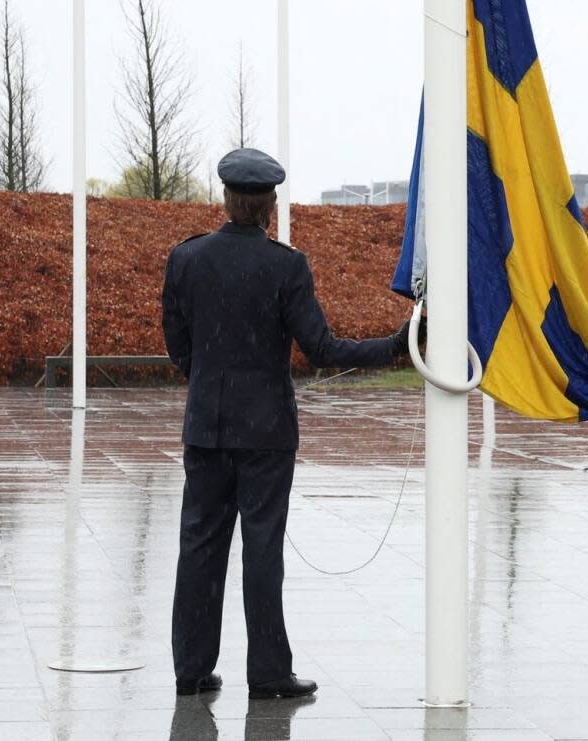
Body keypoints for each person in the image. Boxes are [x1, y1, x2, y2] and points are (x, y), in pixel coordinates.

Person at [162, 147, 416, 700]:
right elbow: (322, 349)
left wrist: (210, 383)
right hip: (267, 434)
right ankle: (269, 673)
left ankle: (192, 670)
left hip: (205, 428)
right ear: (270, 205)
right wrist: (394, 347)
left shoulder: (186, 259)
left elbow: (178, 348)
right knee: (262, 550)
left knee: (199, 548)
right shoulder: (285, 266)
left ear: (226, 199)